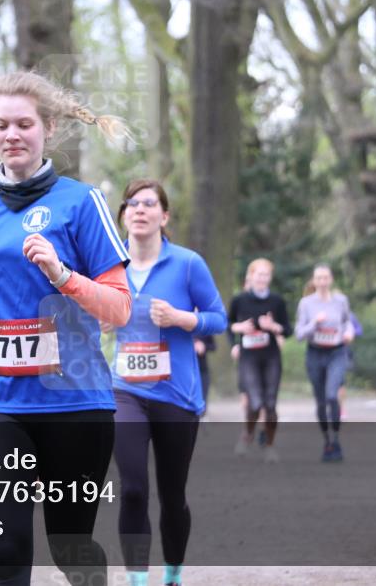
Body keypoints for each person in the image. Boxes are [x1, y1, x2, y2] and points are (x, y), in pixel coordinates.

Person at [0, 71, 134, 586]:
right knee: (6, 552)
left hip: (75, 403)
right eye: (2, 125)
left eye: (24, 123)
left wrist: (63, 276)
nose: (12, 134)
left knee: (71, 548)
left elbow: (119, 310)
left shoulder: (81, 202)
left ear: (47, 129)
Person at [109, 179, 227, 586]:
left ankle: (172, 574)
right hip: (125, 390)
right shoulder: (109, 265)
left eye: (148, 203)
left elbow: (218, 318)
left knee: (172, 495)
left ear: (164, 215)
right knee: (133, 490)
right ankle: (137, 579)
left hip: (176, 394)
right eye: (132, 204)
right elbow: (84, 314)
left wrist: (183, 319)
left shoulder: (187, 263)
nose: (139, 210)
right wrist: (100, 319)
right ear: (123, 215)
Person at [228, 258, 292, 462]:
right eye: (259, 274)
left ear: (270, 278)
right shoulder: (240, 300)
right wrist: (237, 334)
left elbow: (288, 330)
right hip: (249, 357)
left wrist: (274, 327)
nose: (262, 278)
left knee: (271, 404)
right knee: (255, 402)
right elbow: (227, 324)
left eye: (266, 275)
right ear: (251, 276)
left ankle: (269, 446)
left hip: (271, 356)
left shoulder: (277, 301)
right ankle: (248, 434)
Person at [295, 264, 355, 462]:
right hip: (315, 353)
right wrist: (315, 323)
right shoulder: (306, 304)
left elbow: (347, 322)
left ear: (331, 280)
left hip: (336, 353)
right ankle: (327, 440)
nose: (322, 282)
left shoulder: (341, 301)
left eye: (325, 278)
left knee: (332, 395)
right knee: (321, 401)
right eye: (318, 278)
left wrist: (349, 332)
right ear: (314, 281)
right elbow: (299, 334)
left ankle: (336, 437)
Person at [193, 335, 215, 412]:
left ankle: (203, 414)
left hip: (202, 369)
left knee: (203, 395)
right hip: (185, 370)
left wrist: (203, 346)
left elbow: (213, 346)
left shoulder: (204, 329)